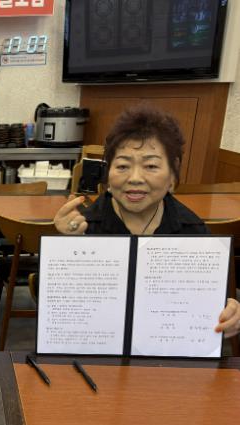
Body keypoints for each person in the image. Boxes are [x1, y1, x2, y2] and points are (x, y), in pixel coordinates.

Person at [54, 106, 240, 339]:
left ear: (172, 175)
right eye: (122, 166)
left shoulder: (192, 231)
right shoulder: (83, 225)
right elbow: (55, 306)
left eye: (151, 166)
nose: (135, 178)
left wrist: (229, 312)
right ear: (108, 174)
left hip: (165, 349)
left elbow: (206, 303)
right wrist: (65, 248)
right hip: (98, 346)